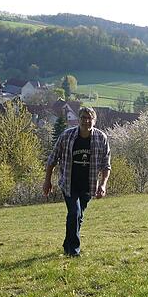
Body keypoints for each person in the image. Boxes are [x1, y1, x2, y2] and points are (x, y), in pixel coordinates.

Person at [43, 107, 111, 257]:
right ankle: (73, 251)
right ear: (78, 119)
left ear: (94, 120)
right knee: (74, 213)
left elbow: (106, 165)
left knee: (78, 217)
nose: (86, 121)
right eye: (83, 117)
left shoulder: (101, 138)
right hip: (69, 183)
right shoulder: (67, 136)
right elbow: (51, 159)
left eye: (89, 118)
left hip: (88, 185)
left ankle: (67, 244)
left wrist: (103, 185)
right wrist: (47, 181)